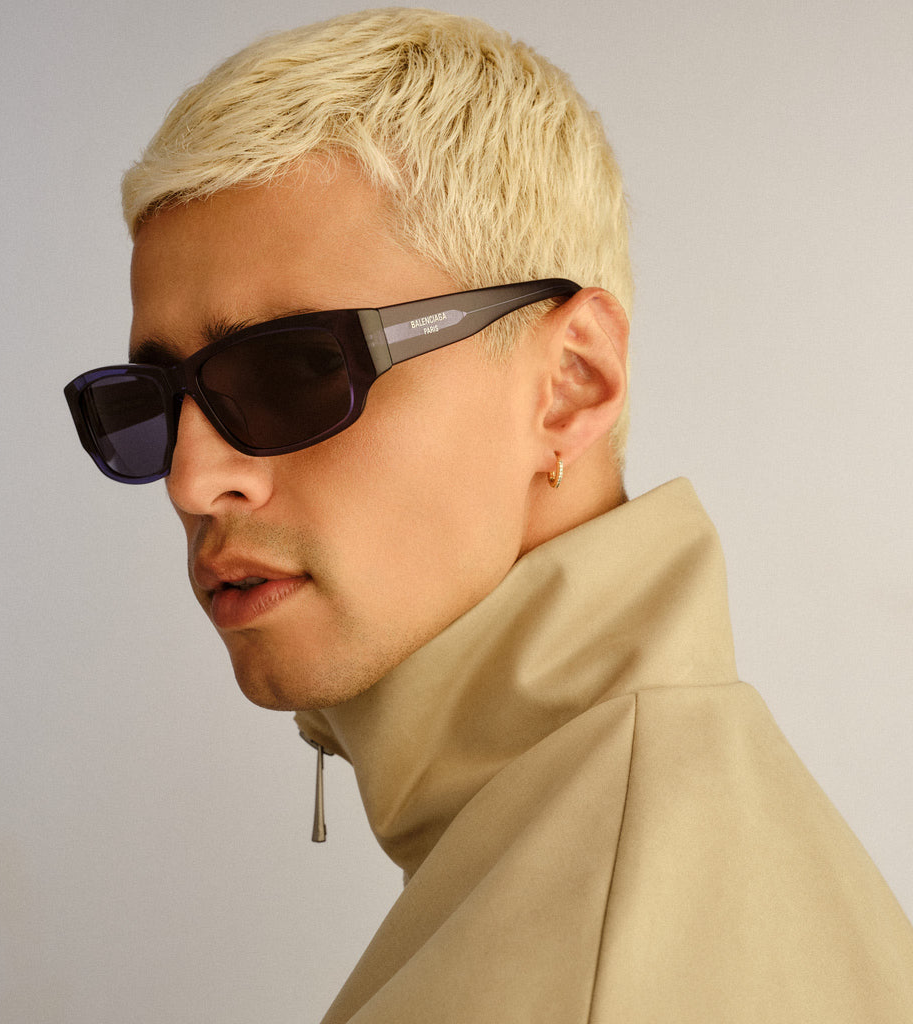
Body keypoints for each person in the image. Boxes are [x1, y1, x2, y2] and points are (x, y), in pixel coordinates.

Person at [64, 8, 913, 1022]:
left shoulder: (601, 956)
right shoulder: (649, 845)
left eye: (294, 371)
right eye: (151, 405)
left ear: (569, 385)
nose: (193, 480)